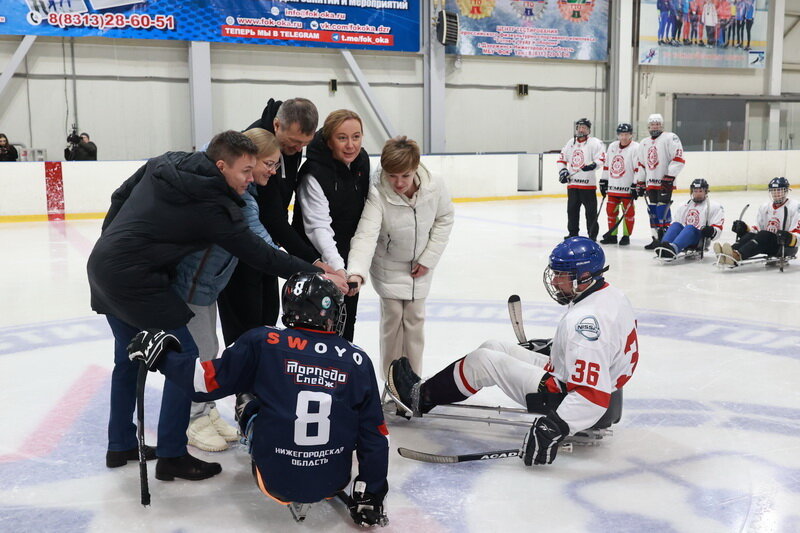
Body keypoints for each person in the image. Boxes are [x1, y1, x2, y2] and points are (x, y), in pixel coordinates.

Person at [88, 131, 345, 482]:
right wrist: (316, 272)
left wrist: (113, 240)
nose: (250, 178)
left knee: (127, 360)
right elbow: (258, 254)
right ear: (221, 165)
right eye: (244, 171)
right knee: (185, 358)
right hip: (137, 281)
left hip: (104, 264)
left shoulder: (168, 161)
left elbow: (120, 195)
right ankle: (172, 455)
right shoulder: (212, 205)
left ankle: (119, 445)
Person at [127, 272, 389, 526]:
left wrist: (163, 357)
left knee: (250, 398)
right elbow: (375, 435)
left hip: (273, 481)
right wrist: (372, 494)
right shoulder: (357, 359)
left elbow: (202, 384)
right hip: (333, 482)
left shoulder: (263, 340)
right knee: (352, 415)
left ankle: (253, 419)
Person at [387, 237, 638, 466]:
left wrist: (553, 428)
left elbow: (591, 396)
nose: (554, 280)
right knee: (493, 346)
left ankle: (417, 397)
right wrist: (557, 347)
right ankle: (429, 390)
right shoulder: (611, 296)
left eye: (562, 275)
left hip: (567, 396)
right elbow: (604, 349)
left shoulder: (585, 323)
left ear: (583, 277)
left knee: (482, 361)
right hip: (587, 379)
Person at [171, 128, 285, 452]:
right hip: (190, 284)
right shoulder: (238, 197)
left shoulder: (246, 191)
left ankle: (206, 411)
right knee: (200, 352)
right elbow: (256, 238)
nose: (270, 172)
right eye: (266, 165)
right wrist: (296, 265)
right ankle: (193, 419)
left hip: (206, 285)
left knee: (210, 347)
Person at [217, 97, 322, 346]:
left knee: (267, 321)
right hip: (240, 257)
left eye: (304, 144)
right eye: (294, 142)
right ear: (277, 125)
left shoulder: (286, 148)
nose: (298, 149)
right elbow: (270, 219)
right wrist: (313, 262)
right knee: (246, 330)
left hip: (267, 250)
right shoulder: (254, 147)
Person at [346, 136, 454, 378]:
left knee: (415, 321)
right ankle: (392, 382)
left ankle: (413, 382)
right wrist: (356, 271)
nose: (398, 182)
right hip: (388, 266)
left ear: (415, 168)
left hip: (420, 266)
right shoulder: (378, 193)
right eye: (392, 175)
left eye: (404, 175)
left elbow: (444, 218)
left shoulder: (434, 185)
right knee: (392, 322)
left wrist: (429, 258)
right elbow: (366, 234)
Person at [294, 109, 371, 342]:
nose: (351, 145)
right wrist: (338, 268)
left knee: (346, 322)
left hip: (346, 259)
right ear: (329, 141)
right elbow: (318, 228)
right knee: (317, 327)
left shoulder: (361, 162)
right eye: (342, 138)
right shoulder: (313, 173)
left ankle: (342, 373)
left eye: (356, 137)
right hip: (319, 263)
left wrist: (353, 267)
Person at [715, 177, 800, 265]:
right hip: (767, 241)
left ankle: (737, 255)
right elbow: (757, 231)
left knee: (764, 234)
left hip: (786, 247)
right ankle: (730, 251)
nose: (776, 194)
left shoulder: (795, 207)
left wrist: (789, 237)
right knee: (754, 235)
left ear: (786, 191)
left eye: (779, 190)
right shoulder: (765, 207)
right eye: (773, 191)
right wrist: (744, 229)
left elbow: (798, 235)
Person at [637, 113, 685, 249]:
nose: (655, 126)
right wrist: (640, 182)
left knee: (662, 209)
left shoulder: (671, 138)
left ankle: (666, 238)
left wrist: (669, 177)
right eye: (652, 124)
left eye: (657, 124)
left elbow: (678, 158)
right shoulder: (644, 142)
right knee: (652, 210)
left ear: (662, 125)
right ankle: (655, 238)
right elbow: (640, 163)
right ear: (648, 126)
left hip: (665, 183)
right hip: (650, 183)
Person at [557, 118, 606, 241]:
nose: (581, 129)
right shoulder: (570, 143)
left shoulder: (595, 143)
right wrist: (563, 171)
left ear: (589, 130)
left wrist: (593, 165)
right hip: (573, 185)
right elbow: (561, 159)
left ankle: (592, 234)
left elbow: (601, 158)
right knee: (572, 210)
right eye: (579, 127)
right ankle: (573, 233)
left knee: (590, 212)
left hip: (588, 185)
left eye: (584, 127)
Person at [654, 178, 724, 259]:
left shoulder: (714, 206)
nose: (698, 194)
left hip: (699, 239)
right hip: (683, 236)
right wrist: (666, 231)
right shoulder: (684, 205)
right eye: (695, 191)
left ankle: (673, 249)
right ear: (692, 192)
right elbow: (676, 224)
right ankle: (663, 246)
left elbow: (717, 228)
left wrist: (711, 231)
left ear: (706, 192)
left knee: (689, 228)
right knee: (675, 225)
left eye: (700, 191)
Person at [599, 123, 639, 246]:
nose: (624, 137)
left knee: (628, 214)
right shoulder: (612, 146)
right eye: (621, 134)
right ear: (618, 135)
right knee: (610, 211)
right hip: (613, 187)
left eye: (626, 134)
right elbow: (607, 165)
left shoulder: (636, 147)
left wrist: (635, 184)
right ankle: (612, 235)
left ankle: (626, 236)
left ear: (631, 135)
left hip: (627, 188)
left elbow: (638, 168)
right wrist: (603, 180)